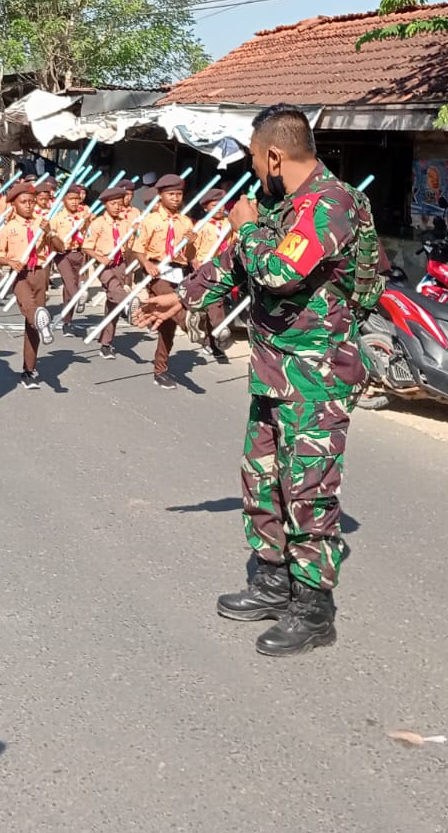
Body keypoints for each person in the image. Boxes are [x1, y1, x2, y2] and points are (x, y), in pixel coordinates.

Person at [135, 105, 383, 656]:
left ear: (274, 155)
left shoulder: (330, 205)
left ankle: (314, 608)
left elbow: (278, 271)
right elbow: (234, 263)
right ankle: (272, 582)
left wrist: (245, 225)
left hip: (315, 378)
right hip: (274, 372)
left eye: (252, 156)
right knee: (262, 480)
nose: (252, 167)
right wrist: (184, 296)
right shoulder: (282, 204)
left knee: (308, 492)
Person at [134, 174, 195, 390]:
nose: (176, 199)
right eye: (171, 195)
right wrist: (146, 264)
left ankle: (160, 370)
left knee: (167, 326)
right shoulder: (150, 220)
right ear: (160, 196)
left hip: (177, 271)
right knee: (168, 303)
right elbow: (138, 248)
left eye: (179, 195)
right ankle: (190, 325)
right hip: (157, 271)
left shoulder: (186, 222)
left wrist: (191, 243)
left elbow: (189, 255)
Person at [0, 183, 53, 390]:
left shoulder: (42, 223)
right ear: (14, 204)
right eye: (23, 202)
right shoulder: (10, 228)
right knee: (30, 308)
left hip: (40, 272)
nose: (28, 206)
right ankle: (42, 322)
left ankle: (29, 369)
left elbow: (60, 247)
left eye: (31, 201)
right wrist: (10, 262)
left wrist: (50, 233)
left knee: (32, 324)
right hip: (20, 276)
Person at [82, 185, 140, 360]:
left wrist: (137, 231)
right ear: (106, 204)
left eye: (119, 204)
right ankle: (128, 305)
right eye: (113, 203)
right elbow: (86, 246)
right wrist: (99, 258)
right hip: (104, 265)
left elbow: (131, 244)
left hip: (120, 264)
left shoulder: (125, 223)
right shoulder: (98, 223)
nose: (117, 207)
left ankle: (106, 342)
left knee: (112, 303)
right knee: (115, 289)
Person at [188, 189, 236, 364]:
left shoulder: (229, 223)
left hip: (226, 268)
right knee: (215, 302)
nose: (219, 209)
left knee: (212, 303)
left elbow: (235, 241)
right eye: (214, 206)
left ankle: (211, 341)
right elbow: (192, 249)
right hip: (207, 269)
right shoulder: (202, 225)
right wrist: (195, 262)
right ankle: (219, 332)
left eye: (222, 205)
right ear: (206, 208)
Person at [49, 184, 93, 334]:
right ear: (63, 201)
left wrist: (87, 221)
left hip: (79, 253)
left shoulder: (83, 215)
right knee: (69, 282)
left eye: (76, 199)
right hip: (62, 254)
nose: (74, 202)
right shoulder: (57, 218)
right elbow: (52, 238)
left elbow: (90, 233)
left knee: (71, 287)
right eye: (70, 199)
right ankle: (78, 297)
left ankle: (67, 320)